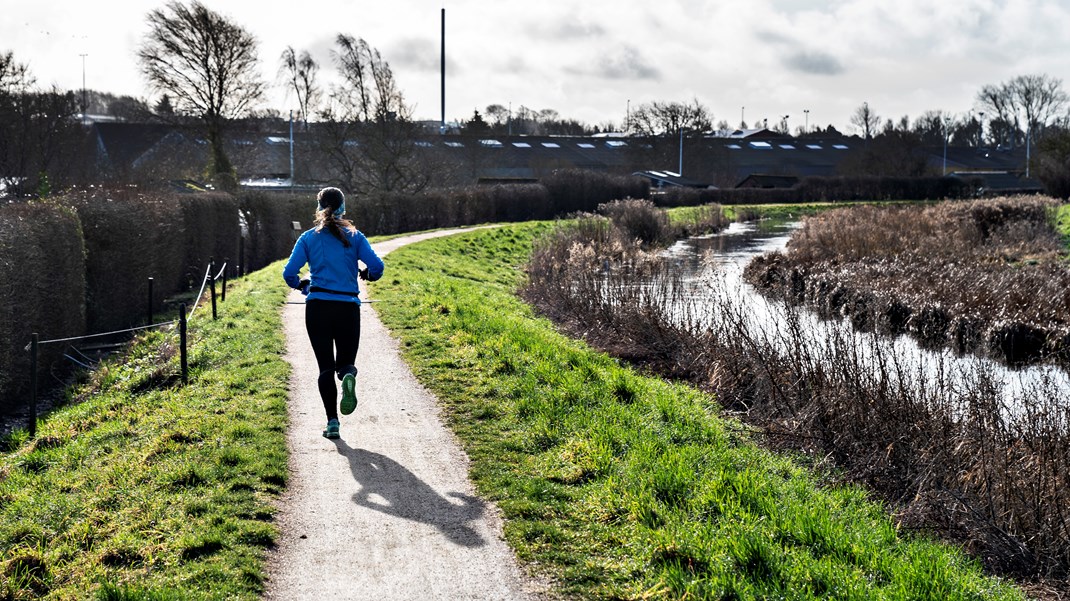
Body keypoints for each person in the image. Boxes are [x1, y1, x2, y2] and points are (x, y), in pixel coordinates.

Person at [283, 187, 384, 439]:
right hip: (348, 307)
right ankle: (348, 374)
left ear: (318, 208)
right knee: (345, 362)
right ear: (343, 207)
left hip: (318, 307)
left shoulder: (307, 238)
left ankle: (332, 423)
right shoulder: (355, 236)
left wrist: (302, 284)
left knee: (325, 368)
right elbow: (377, 267)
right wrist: (368, 275)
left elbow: (289, 274)